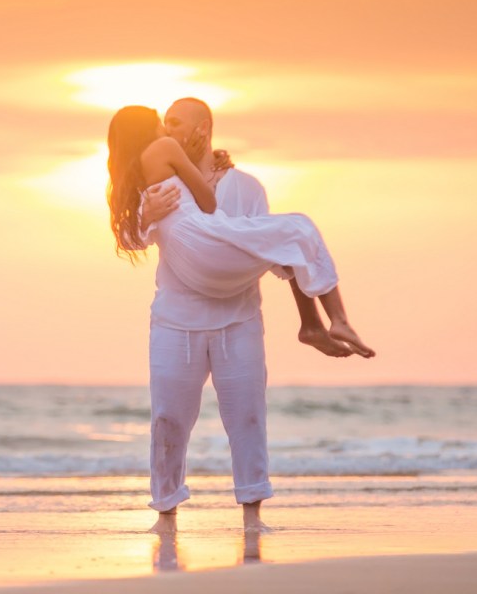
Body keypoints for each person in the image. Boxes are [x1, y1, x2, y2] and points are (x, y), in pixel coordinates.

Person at [106, 98, 373, 533]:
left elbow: (269, 253)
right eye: (162, 122)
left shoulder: (246, 187)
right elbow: (134, 238)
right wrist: (146, 215)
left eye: (175, 122)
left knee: (247, 416)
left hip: (238, 316)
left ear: (203, 128)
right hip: (178, 317)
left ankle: (252, 515)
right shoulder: (155, 170)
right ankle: (165, 513)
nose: (168, 129)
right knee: (168, 418)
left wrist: (305, 317)